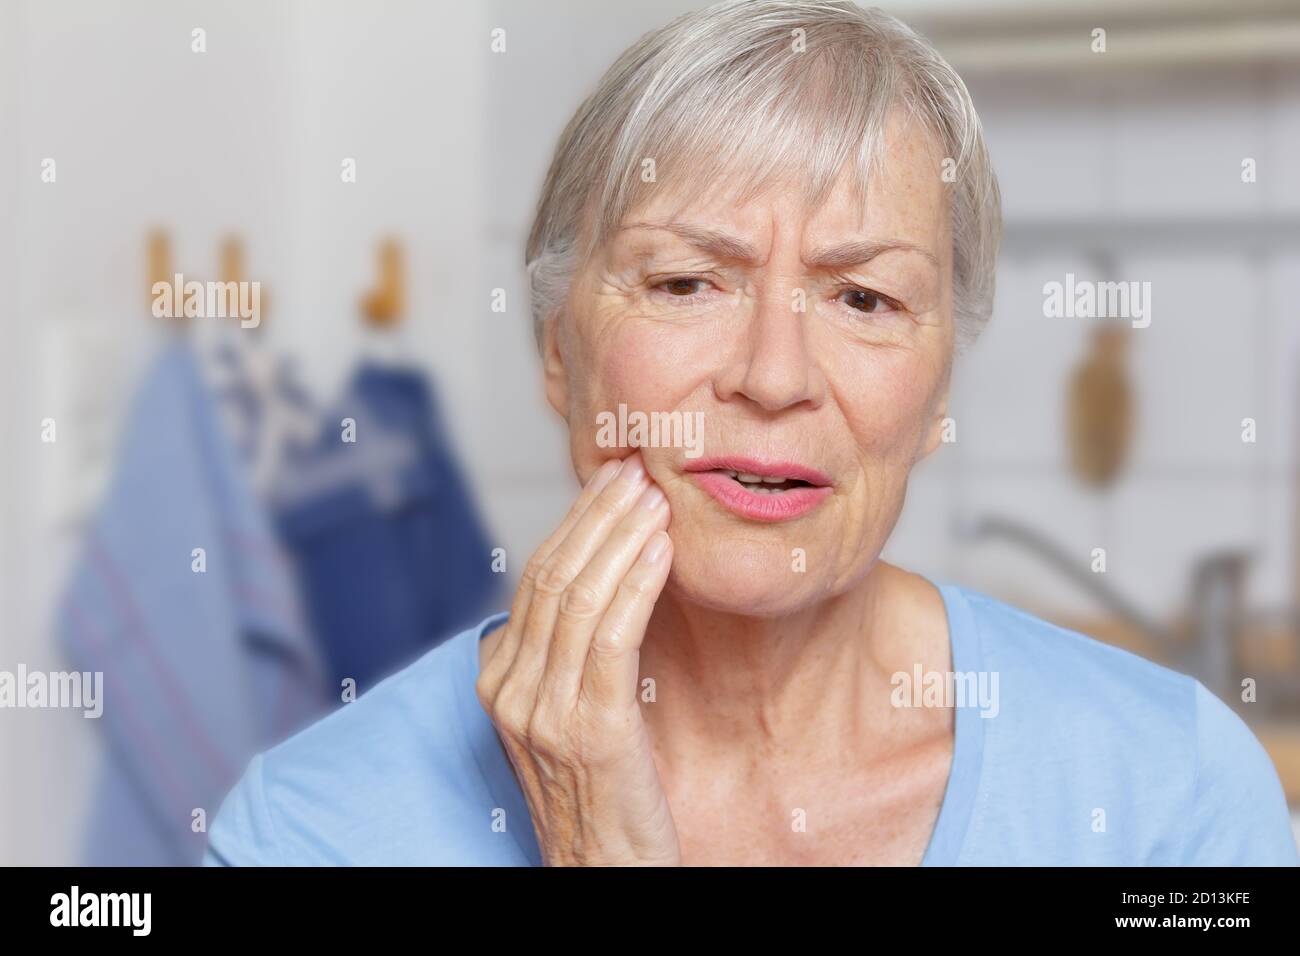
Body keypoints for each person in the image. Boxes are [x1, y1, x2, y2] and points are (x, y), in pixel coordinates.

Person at [205, 0, 1298, 866]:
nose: (774, 377)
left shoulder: (1172, 792)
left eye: (864, 299)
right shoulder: (307, 833)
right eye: (686, 282)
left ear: (936, 388)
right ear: (557, 351)